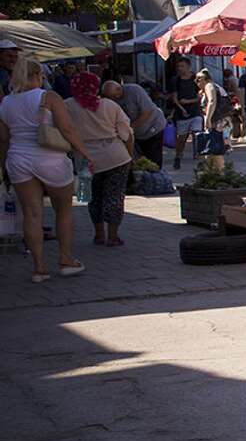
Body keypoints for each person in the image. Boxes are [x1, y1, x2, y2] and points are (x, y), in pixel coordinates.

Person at [1, 59, 90, 281]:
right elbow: (66, 128)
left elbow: (3, 139)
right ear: (38, 75)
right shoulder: (48, 97)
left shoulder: (6, 103)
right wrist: (83, 152)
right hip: (51, 159)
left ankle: (39, 268)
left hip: (18, 159)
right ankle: (66, 259)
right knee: (63, 210)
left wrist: (3, 166)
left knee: (32, 214)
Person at [65, 72, 134, 247]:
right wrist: (130, 154)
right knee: (115, 196)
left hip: (84, 158)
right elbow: (126, 133)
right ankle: (113, 236)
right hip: (115, 157)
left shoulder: (67, 106)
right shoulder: (110, 105)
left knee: (93, 197)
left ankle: (99, 234)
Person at [165, 57, 201, 170]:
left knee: (197, 132)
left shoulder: (196, 79)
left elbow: (200, 96)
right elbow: (174, 98)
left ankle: (198, 155)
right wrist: (182, 109)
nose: (180, 69)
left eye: (182, 66)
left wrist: (189, 101)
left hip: (195, 111)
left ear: (189, 67)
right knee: (182, 137)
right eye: (178, 67)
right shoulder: (175, 80)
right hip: (181, 113)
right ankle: (178, 155)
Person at [193, 68, 233, 170]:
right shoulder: (215, 86)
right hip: (222, 120)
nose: (196, 83)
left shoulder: (209, 85)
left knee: (216, 148)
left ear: (204, 79)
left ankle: (221, 173)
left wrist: (208, 119)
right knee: (212, 149)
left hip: (217, 121)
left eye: (198, 80)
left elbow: (212, 101)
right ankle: (212, 172)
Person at [115, 78, 167, 154]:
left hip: (153, 127)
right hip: (137, 134)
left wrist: (130, 128)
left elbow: (147, 111)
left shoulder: (134, 90)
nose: (115, 98)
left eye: (116, 95)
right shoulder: (111, 99)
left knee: (153, 159)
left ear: (119, 88)